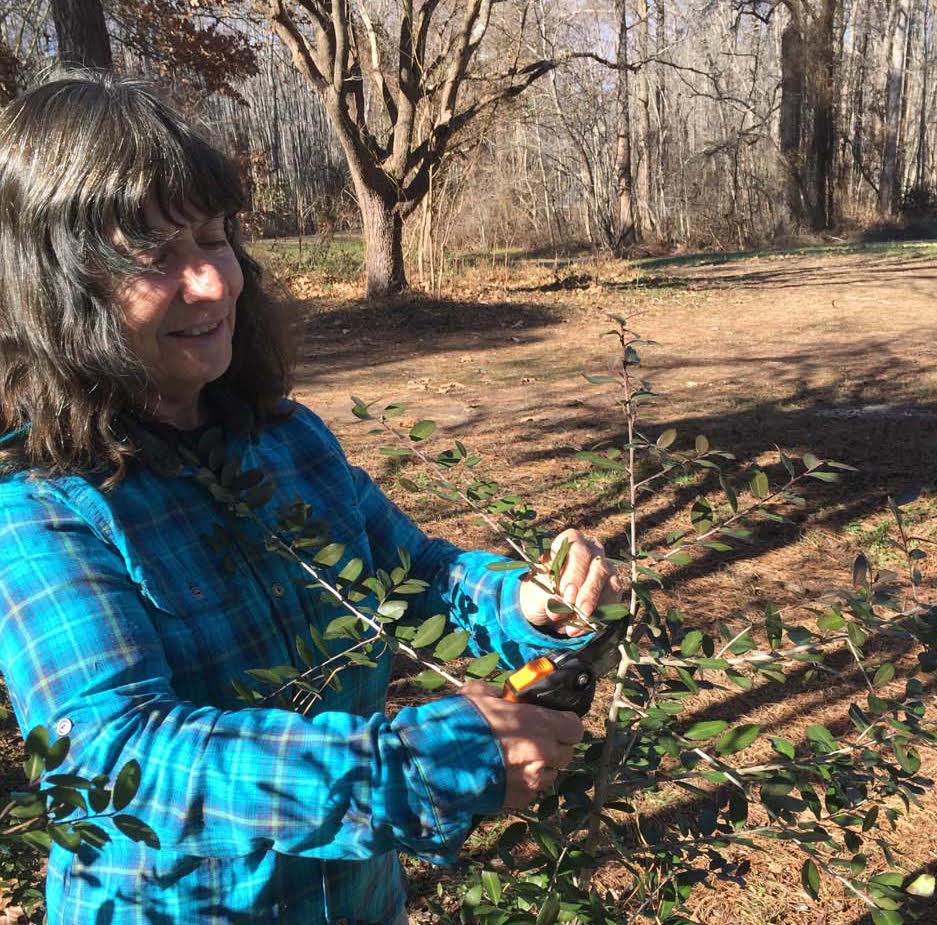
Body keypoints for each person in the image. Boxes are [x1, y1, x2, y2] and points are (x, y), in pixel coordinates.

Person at [0, 73, 619, 925]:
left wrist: (531, 602)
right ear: (55, 287)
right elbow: (115, 757)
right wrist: (405, 766)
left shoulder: (283, 438)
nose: (213, 284)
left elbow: (416, 575)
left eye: (214, 238)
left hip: (356, 900)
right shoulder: (37, 506)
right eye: (154, 256)